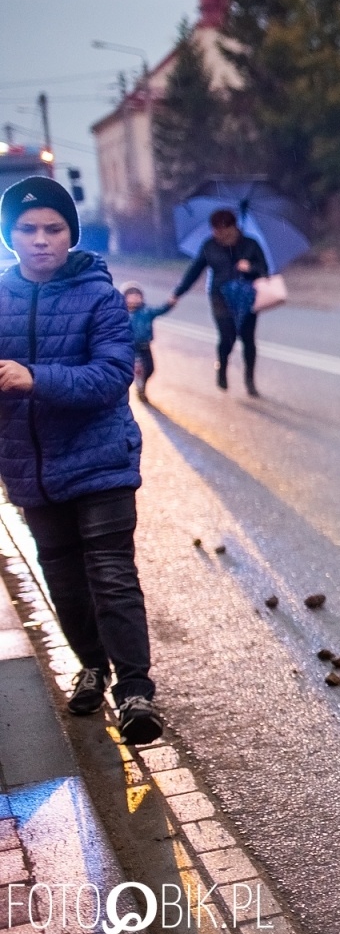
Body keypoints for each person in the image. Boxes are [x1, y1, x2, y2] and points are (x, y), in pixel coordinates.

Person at [0, 177, 164, 745]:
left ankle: (136, 690)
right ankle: (91, 665)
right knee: (63, 579)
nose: (41, 239)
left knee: (112, 575)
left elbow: (113, 374)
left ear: (71, 234)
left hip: (100, 460)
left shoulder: (99, 296)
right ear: (9, 235)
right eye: (28, 228)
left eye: (54, 228)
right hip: (30, 466)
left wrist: (33, 378)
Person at [169, 208, 268, 396]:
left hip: (246, 297)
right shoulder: (209, 246)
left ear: (233, 227)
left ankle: (250, 380)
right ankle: (222, 367)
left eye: (222, 229)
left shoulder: (251, 245)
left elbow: (264, 270)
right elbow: (195, 270)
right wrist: (178, 293)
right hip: (220, 297)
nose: (217, 234)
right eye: (214, 229)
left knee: (248, 339)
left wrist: (250, 267)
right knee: (227, 337)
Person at [121, 281, 172, 403]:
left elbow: (160, 310)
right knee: (139, 370)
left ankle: (142, 383)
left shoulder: (146, 311)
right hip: (132, 348)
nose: (135, 298)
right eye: (131, 295)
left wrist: (170, 304)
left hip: (145, 346)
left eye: (137, 296)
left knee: (150, 369)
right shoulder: (122, 313)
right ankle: (140, 390)